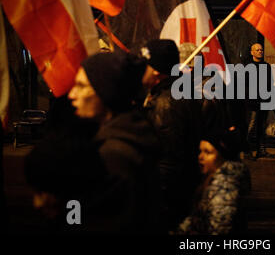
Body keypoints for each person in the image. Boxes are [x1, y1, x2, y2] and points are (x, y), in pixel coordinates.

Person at [26, 51, 162, 233]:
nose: (72, 94)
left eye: (81, 86)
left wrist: (63, 212)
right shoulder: (123, 138)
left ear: (107, 93)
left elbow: (98, 221)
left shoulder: (113, 155)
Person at [139, 39, 202, 232]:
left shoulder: (166, 104)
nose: (141, 70)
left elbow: (169, 160)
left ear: (156, 71)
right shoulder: (173, 93)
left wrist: (156, 199)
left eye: (145, 66)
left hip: (168, 198)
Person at [177, 125, 251, 235]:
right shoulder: (214, 177)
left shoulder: (225, 186)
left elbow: (219, 228)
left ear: (222, 156)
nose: (200, 157)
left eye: (208, 152)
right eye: (200, 151)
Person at [245, 42, 274, 159]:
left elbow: (269, 84)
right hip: (252, 103)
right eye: (257, 50)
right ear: (252, 52)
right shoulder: (247, 67)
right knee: (251, 127)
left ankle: (261, 150)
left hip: (263, 101)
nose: (260, 52)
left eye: (261, 50)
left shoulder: (266, 66)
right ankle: (248, 151)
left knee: (261, 127)